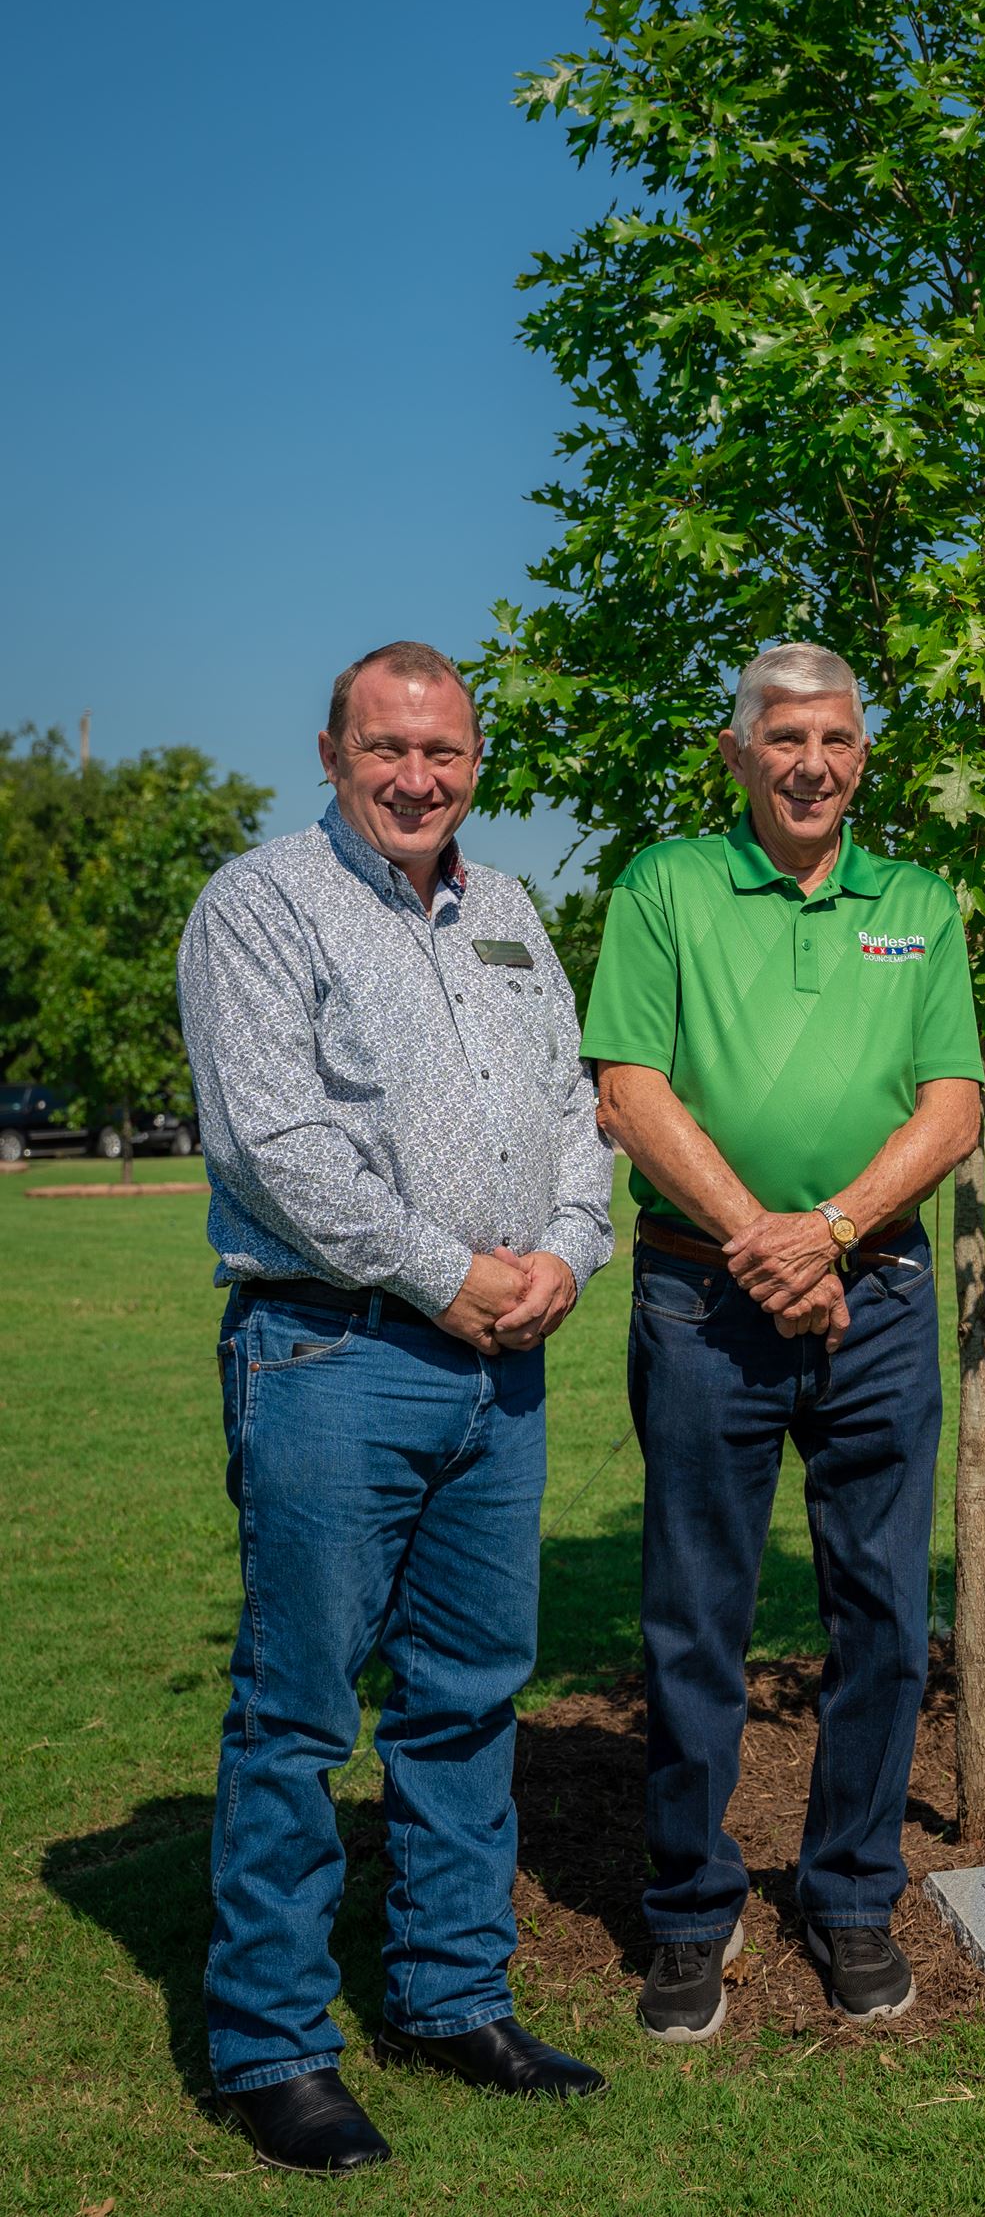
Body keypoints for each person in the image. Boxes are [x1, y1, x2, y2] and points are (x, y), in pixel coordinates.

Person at [177, 642, 613, 2177]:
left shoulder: (508, 913)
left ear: (475, 759)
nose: (417, 776)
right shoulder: (259, 905)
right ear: (332, 750)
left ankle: (451, 1993)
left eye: (444, 751)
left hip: (500, 1366)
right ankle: (275, 2042)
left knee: (469, 1692)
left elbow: (577, 1109)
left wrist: (563, 1252)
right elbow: (274, 1145)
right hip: (333, 1353)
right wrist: (451, 1278)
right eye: (388, 749)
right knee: (300, 1710)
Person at [584, 643, 984, 2045]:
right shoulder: (667, 887)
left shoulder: (917, 902)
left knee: (883, 1616)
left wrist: (827, 1231)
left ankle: (852, 1894)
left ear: (863, 751)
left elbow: (950, 1107)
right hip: (704, 1306)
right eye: (785, 736)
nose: (813, 761)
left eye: (838, 737)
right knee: (696, 1617)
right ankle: (693, 1912)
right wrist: (764, 1234)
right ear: (736, 749)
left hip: (874, 1304)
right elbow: (627, 1084)